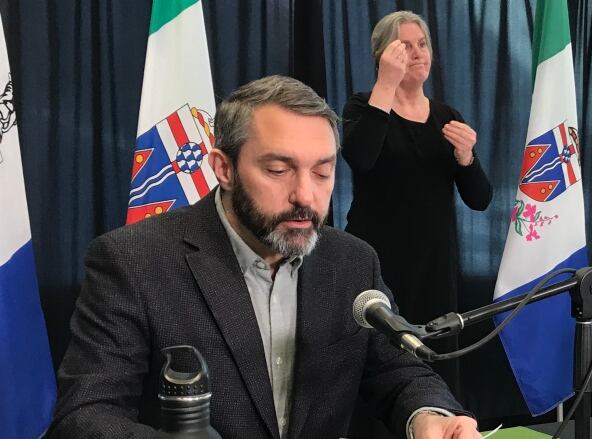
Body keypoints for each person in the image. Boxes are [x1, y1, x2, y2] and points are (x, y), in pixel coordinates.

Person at [46, 76, 481, 439]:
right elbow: (85, 416)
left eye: (322, 171)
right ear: (224, 168)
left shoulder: (351, 261)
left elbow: (397, 373)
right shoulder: (134, 260)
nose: (305, 196)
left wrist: (429, 416)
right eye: (278, 170)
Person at [341, 11, 493, 392]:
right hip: (377, 262)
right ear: (382, 55)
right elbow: (360, 157)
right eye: (404, 45)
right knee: (378, 360)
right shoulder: (361, 107)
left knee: (433, 362)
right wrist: (386, 86)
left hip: (434, 266)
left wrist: (467, 157)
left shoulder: (446, 116)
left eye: (422, 44)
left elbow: (480, 199)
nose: (417, 53)